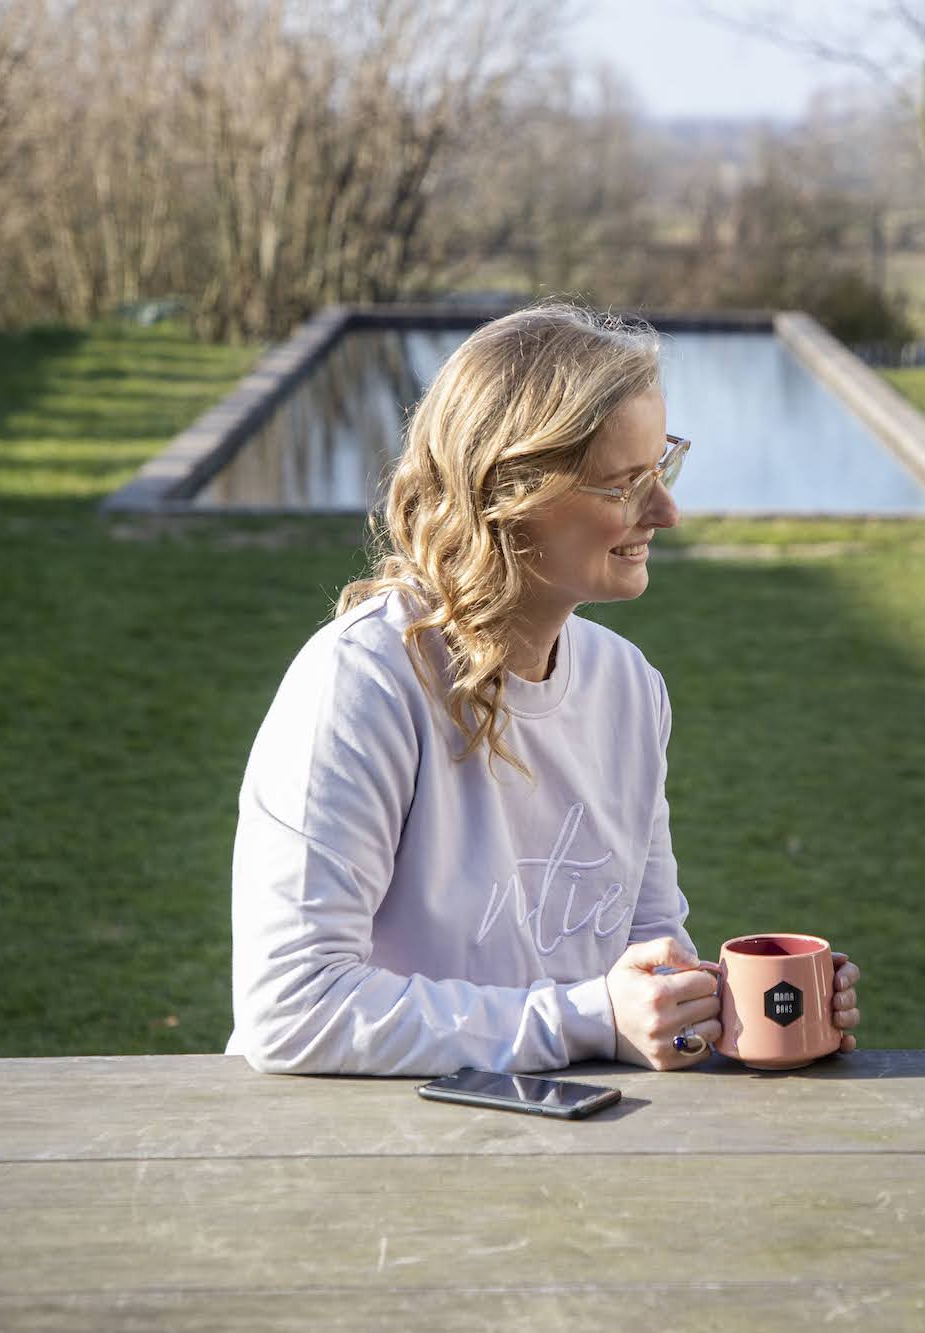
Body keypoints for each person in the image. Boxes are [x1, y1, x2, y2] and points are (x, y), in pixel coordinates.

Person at [227, 302, 862, 1076]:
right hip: (372, 1161)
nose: (665, 510)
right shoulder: (363, 684)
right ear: (511, 494)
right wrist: (587, 1018)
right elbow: (293, 1006)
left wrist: (745, 1008)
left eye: (663, 468)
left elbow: (648, 955)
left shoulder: (628, 686)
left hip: (575, 1156)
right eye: (626, 484)